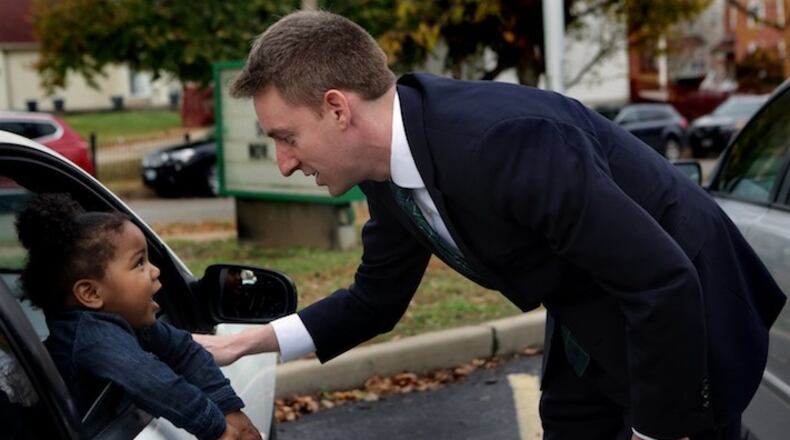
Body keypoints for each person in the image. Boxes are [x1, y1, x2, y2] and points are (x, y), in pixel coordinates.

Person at [194, 10, 786, 440]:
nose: (285, 162)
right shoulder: (383, 169)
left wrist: (657, 433)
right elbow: (376, 299)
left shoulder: (502, 142)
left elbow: (661, 282)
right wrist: (251, 340)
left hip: (685, 320)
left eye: (286, 138)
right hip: (586, 327)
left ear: (338, 108)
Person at [15, 193, 260, 440]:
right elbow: (153, 381)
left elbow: (184, 350)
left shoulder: (128, 322)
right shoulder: (92, 336)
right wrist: (216, 429)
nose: (155, 271)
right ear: (90, 293)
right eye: (139, 263)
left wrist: (229, 409)